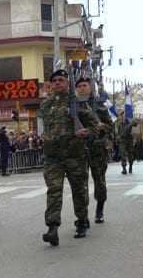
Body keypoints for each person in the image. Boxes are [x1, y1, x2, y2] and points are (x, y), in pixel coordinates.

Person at [40, 70, 99, 246]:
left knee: (79, 190)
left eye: (61, 80)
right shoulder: (46, 105)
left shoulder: (78, 103)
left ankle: (81, 220)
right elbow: (46, 127)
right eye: (54, 81)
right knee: (54, 190)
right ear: (50, 85)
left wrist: (85, 132)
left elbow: (96, 126)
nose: (57, 83)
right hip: (53, 157)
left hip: (75, 154)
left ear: (67, 83)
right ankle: (52, 228)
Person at [75, 77, 113, 224]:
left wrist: (102, 126)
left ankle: (100, 209)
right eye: (79, 86)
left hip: (97, 148)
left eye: (85, 85)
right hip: (79, 149)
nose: (82, 88)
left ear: (90, 88)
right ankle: (82, 215)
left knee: (99, 181)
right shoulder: (74, 106)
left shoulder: (100, 106)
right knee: (79, 183)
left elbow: (111, 126)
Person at [116, 110, 137, 175]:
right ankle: (124, 168)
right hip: (122, 141)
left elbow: (135, 124)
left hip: (129, 140)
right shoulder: (119, 124)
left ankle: (130, 166)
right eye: (121, 115)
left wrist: (132, 122)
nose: (122, 117)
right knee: (123, 154)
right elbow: (118, 133)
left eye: (123, 115)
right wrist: (118, 138)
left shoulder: (128, 122)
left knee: (130, 154)